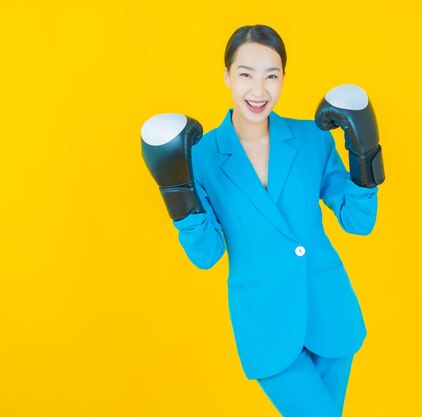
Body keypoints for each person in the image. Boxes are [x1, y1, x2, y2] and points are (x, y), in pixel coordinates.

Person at [141, 24, 385, 417]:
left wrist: (366, 155)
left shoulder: (312, 138)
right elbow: (206, 255)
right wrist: (177, 193)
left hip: (329, 310)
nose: (259, 90)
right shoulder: (199, 157)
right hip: (267, 323)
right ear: (226, 76)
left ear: (284, 78)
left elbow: (358, 221)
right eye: (246, 74)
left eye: (271, 75)